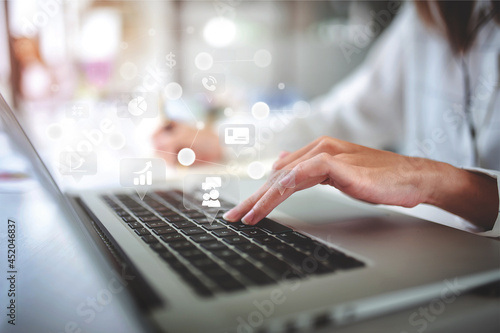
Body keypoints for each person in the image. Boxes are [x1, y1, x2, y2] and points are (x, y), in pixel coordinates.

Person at [153, 0, 500, 237]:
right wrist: (223, 140)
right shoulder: (429, 14)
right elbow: (343, 118)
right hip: (425, 246)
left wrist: (430, 178)